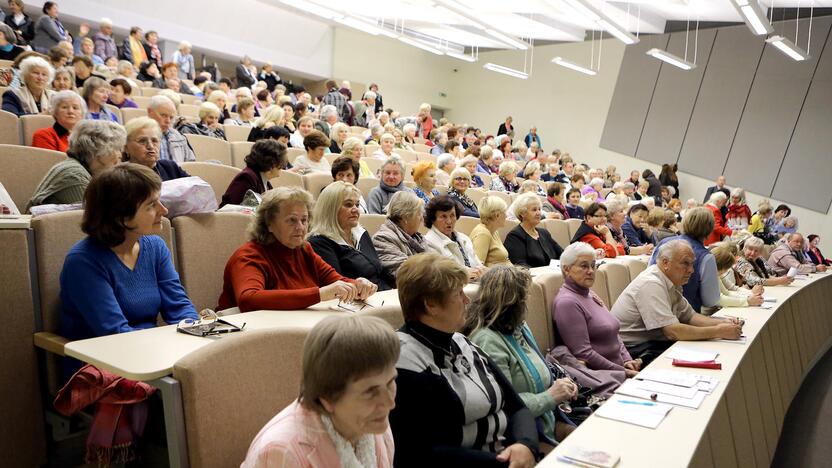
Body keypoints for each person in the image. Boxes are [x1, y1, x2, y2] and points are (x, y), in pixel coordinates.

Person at [390, 254, 539, 468]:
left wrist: (526, 445)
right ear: (430, 304)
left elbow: (517, 406)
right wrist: (507, 461)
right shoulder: (403, 360)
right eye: (458, 293)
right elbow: (420, 451)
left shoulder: (462, 342)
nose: (467, 300)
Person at [241, 315, 397, 468]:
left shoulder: (373, 421)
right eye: (370, 391)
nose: (390, 403)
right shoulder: (284, 453)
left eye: (390, 383)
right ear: (327, 398)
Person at [218, 187, 377, 312]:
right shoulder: (249, 255)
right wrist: (319, 294)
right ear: (269, 224)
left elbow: (334, 280)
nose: (300, 227)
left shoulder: (304, 249)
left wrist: (357, 284)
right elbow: (249, 299)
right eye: (292, 220)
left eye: (304, 220)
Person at [467, 265, 577, 445]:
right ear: (513, 303)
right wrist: (551, 396)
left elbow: (540, 377)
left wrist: (562, 387)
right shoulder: (487, 340)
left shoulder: (519, 327)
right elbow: (505, 405)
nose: (527, 303)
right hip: (520, 436)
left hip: (546, 421)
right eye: (524, 298)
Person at [612, 240, 744, 364]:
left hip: (649, 345)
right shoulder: (651, 283)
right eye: (685, 263)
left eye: (692, 264)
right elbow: (672, 332)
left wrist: (724, 323)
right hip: (632, 352)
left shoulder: (671, 281)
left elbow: (691, 317)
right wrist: (718, 331)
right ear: (665, 263)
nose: (691, 270)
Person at [553, 242, 639, 382]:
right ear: (566, 269)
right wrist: (623, 371)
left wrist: (627, 360)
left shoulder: (590, 294)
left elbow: (614, 333)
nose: (591, 271)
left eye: (593, 265)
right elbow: (583, 353)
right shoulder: (567, 302)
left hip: (620, 370)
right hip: (604, 378)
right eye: (584, 266)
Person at [308, 182, 394, 291]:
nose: (355, 210)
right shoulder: (319, 242)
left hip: (381, 296)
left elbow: (379, 271)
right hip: (354, 303)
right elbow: (337, 286)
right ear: (331, 209)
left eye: (357, 205)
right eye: (348, 205)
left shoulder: (361, 233)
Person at [27, 120, 124, 212]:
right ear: (100, 151)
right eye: (117, 148)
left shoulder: (86, 170)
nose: (120, 155)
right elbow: (95, 219)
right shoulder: (74, 175)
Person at [650, 207, 721, 313]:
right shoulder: (706, 257)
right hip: (685, 317)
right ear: (710, 229)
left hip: (655, 308)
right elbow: (711, 301)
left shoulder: (663, 242)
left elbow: (649, 274)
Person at [423, 196, 486, 281]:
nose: (449, 221)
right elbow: (441, 275)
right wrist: (465, 273)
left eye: (452, 215)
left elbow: (478, 264)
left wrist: (483, 271)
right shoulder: (428, 242)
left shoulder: (464, 238)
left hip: (474, 284)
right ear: (433, 219)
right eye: (443, 216)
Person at [372, 191, 428, 278]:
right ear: (406, 216)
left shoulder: (418, 238)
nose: (421, 218)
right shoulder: (383, 239)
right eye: (419, 213)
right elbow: (407, 273)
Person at [122, 117, 190, 182]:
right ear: (126, 148)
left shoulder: (170, 167)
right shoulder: (121, 176)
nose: (150, 146)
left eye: (154, 141)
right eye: (142, 141)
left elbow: (195, 189)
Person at [504, 193, 563, 267]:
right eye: (534, 210)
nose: (538, 213)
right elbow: (520, 266)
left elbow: (562, 254)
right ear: (522, 213)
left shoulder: (544, 233)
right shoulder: (514, 236)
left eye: (539, 209)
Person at [219, 141, 285, 208]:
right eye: (280, 165)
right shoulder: (247, 177)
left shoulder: (264, 180)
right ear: (271, 165)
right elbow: (233, 207)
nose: (282, 168)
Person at [708, 243, 763, 312]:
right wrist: (748, 299)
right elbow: (720, 299)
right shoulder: (711, 275)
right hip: (711, 312)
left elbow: (727, 292)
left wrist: (750, 295)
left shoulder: (716, 273)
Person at [145, 95, 197, 163]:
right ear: (149, 112)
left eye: (171, 117)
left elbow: (190, 164)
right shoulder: (137, 135)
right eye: (163, 115)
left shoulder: (179, 137)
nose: (168, 121)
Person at [470, 196, 510, 267]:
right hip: (496, 276)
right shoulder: (483, 234)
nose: (506, 216)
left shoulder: (494, 231)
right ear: (497, 215)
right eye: (504, 212)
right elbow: (478, 268)